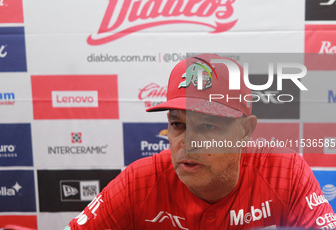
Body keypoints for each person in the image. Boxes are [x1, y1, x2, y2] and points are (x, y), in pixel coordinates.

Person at [65, 54, 335, 230]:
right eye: (178, 125)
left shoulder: (285, 172)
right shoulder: (138, 181)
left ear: (245, 131)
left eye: (207, 126)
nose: (188, 143)